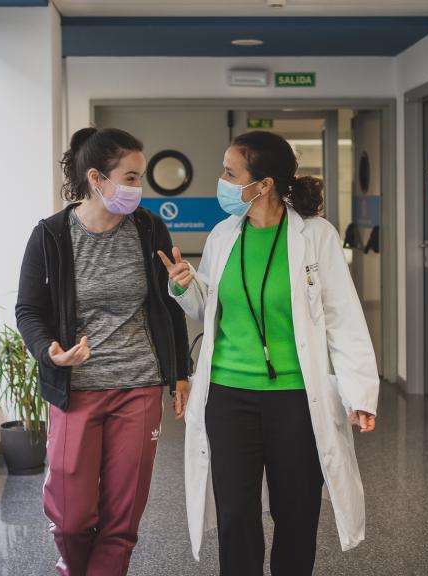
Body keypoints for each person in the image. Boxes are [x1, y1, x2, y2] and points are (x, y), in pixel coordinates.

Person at [157, 130, 379, 576]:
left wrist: (359, 392)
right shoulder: (224, 235)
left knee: (296, 513)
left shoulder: (315, 237)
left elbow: (343, 317)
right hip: (227, 395)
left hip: (296, 399)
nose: (221, 180)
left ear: (264, 184)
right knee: (236, 517)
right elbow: (212, 307)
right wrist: (186, 285)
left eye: (229, 172)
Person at [16, 126, 191, 576]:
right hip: (78, 388)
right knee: (73, 520)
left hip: (140, 385)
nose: (138, 188)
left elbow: (166, 304)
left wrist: (181, 372)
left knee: (122, 518)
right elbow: (28, 309)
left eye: (140, 177)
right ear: (97, 178)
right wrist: (49, 350)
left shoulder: (149, 227)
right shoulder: (51, 236)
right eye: (130, 178)